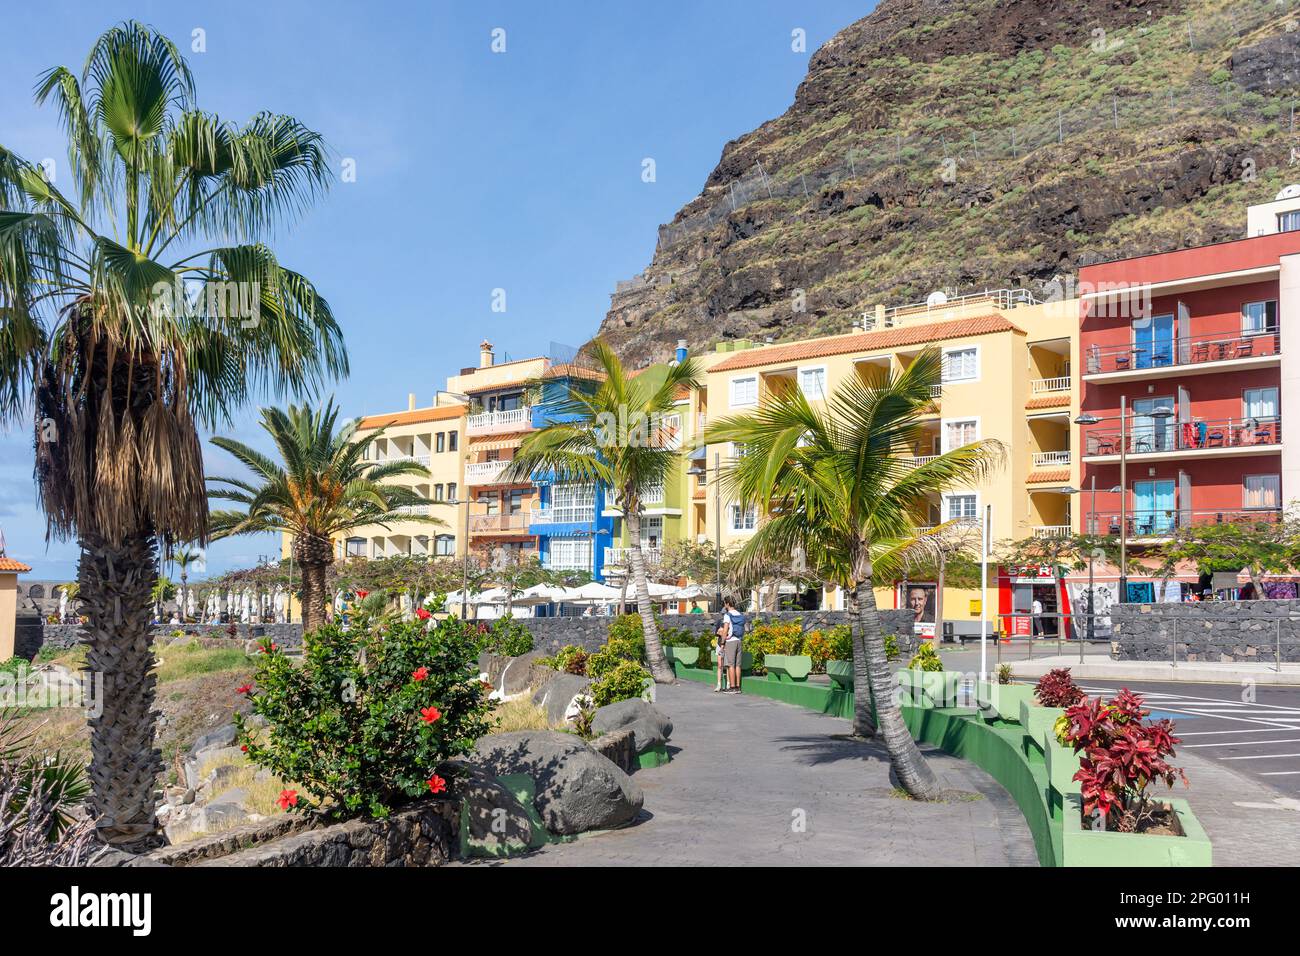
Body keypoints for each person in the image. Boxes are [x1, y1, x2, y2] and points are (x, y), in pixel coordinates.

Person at [722, 596, 745, 694]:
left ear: (727, 604)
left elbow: (725, 630)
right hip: (739, 640)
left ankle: (732, 687)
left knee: (731, 665)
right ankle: (738, 687)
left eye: (724, 603)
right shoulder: (740, 614)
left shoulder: (728, 615)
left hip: (731, 640)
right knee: (738, 665)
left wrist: (722, 643)